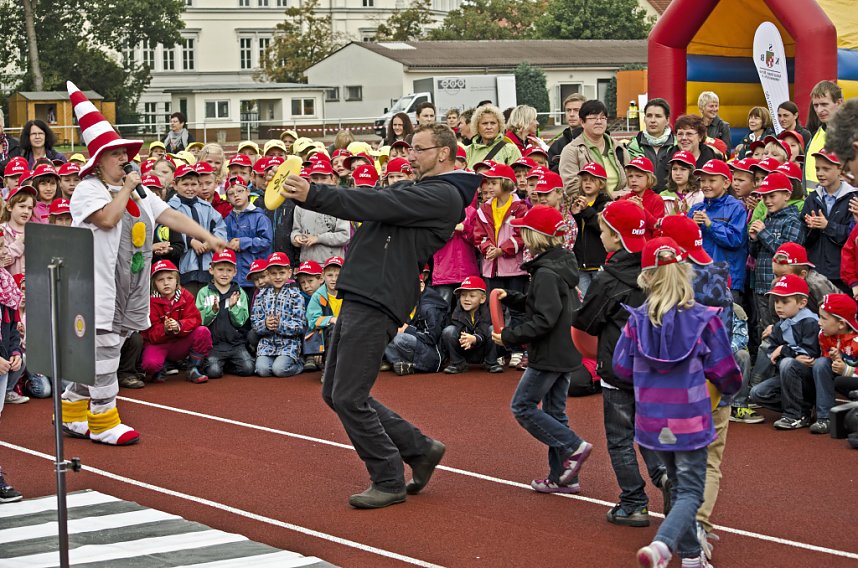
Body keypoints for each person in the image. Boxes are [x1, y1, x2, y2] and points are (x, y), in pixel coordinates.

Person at [278, 123, 481, 508]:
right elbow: (375, 196)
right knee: (335, 391)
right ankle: (418, 449)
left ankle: (388, 477)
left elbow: (375, 204)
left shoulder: (443, 195)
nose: (410, 156)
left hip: (377, 296)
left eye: (418, 149)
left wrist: (314, 193)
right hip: (365, 292)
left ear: (443, 153)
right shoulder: (421, 188)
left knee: (348, 395)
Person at [60, 82, 226, 446]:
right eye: (116, 153)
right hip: (97, 286)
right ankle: (102, 419)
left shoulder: (139, 191)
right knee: (102, 349)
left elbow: (168, 216)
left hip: (130, 286)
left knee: (110, 347)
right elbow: (106, 219)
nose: (124, 158)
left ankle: (73, 410)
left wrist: (208, 236)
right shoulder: (89, 188)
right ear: (99, 159)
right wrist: (125, 187)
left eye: (125, 152)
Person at [613, 236, 741, 568]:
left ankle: (693, 558)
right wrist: (731, 387)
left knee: (678, 485)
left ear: (646, 278)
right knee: (690, 492)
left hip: (653, 419)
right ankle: (663, 545)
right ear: (685, 272)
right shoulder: (703, 319)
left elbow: (621, 368)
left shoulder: (636, 320)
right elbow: (725, 369)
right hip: (690, 419)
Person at [572, 200, 669, 528]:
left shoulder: (610, 277)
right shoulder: (659, 267)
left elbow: (588, 322)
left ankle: (633, 502)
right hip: (656, 367)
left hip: (619, 368)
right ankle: (665, 475)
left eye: (603, 231)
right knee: (650, 430)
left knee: (619, 436)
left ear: (617, 236)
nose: (600, 237)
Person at [491, 205, 592, 494]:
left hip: (549, 352)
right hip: (565, 349)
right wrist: (511, 297)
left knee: (522, 407)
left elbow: (543, 319)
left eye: (524, 230)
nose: (520, 233)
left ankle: (573, 446)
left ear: (536, 236)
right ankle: (563, 477)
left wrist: (509, 335)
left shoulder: (546, 272)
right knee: (555, 412)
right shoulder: (560, 264)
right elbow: (545, 306)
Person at [472, 162, 529, 368]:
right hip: (492, 266)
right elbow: (477, 234)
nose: (490, 186)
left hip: (514, 267)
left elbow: (522, 234)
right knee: (494, 310)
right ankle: (497, 350)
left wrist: (503, 249)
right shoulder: (484, 208)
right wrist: (488, 247)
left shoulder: (520, 206)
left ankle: (517, 348)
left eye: (494, 182)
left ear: (506, 183)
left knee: (516, 311)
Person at [749, 274, 821, 430]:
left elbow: (810, 354)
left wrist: (784, 350)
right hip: (788, 375)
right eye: (776, 301)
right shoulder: (782, 323)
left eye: (785, 301)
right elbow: (770, 350)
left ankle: (795, 415)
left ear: (802, 303)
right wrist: (784, 355)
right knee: (757, 393)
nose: (778, 306)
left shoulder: (810, 321)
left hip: (809, 378)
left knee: (788, 363)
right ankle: (804, 408)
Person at [749, 172, 804, 332]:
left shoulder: (793, 220)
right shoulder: (767, 219)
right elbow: (754, 254)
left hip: (785, 290)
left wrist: (763, 233)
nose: (767, 201)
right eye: (764, 197)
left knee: (783, 330)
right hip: (762, 285)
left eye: (772, 196)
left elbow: (788, 255)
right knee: (764, 329)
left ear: (787, 195)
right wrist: (753, 239)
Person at [687, 159, 748, 303]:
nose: (706, 185)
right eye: (703, 181)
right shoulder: (696, 208)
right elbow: (684, 242)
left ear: (726, 183)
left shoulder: (736, 207)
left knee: (726, 323)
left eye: (712, 180)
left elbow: (736, 239)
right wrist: (692, 226)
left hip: (728, 279)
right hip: (698, 278)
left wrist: (710, 224)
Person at [141, 259, 212, 384]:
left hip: (180, 341)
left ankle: (193, 368)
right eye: (160, 280)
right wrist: (164, 329)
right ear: (154, 283)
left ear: (177, 280)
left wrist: (179, 325)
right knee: (150, 365)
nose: (166, 283)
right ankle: (161, 368)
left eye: (170, 278)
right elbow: (148, 332)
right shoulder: (149, 301)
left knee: (202, 331)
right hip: (160, 344)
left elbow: (195, 319)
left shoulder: (186, 296)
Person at [168, 164, 229, 296]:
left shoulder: (206, 207)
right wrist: (190, 241)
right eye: (185, 184)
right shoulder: (170, 208)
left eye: (194, 184)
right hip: (185, 267)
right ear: (175, 185)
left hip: (208, 267)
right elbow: (167, 232)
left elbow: (220, 227)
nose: (190, 188)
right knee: (188, 302)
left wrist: (210, 242)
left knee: (208, 304)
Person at [800, 150, 856, 292]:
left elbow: (852, 236)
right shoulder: (812, 198)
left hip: (842, 275)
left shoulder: (853, 198)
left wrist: (827, 226)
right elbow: (803, 238)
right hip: (815, 273)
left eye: (826, 169)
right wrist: (811, 228)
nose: (820, 173)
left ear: (840, 169)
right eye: (817, 168)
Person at [196, 249, 254, 379]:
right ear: (211, 270)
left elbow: (240, 321)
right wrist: (213, 311)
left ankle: (226, 364)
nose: (224, 274)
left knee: (248, 368)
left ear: (235, 272)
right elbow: (200, 321)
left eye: (229, 270)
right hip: (213, 345)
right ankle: (218, 363)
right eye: (220, 269)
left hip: (235, 344)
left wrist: (233, 307)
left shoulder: (240, 293)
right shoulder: (204, 292)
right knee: (213, 372)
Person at [559, 99, 629, 197]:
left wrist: (623, 195)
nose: (599, 122)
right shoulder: (572, 150)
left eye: (602, 118)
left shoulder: (619, 148)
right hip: (588, 209)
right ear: (582, 122)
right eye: (593, 118)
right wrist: (609, 196)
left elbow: (631, 180)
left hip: (621, 205)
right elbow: (571, 188)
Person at [251, 251, 305, 378]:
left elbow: (300, 325)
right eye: (273, 273)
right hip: (267, 344)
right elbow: (254, 323)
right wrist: (265, 324)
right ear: (267, 274)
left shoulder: (296, 296)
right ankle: (275, 362)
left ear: (289, 273)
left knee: (279, 370)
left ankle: (299, 363)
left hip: (289, 344)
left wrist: (280, 325)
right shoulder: (261, 295)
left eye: (282, 273)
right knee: (262, 370)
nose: (278, 277)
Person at [381, 275, 448, 376]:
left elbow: (432, 337)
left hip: (435, 355)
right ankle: (401, 364)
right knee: (386, 333)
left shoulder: (429, 308)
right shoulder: (410, 302)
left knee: (400, 338)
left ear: (421, 286)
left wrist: (407, 329)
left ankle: (414, 366)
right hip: (420, 346)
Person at [812, 293, 858, 435]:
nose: (819, 322)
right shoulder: (823, 335)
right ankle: (825, 418)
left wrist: (847, 369)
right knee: (820, 364)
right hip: (843, 381)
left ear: (841, 324)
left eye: (824, 318)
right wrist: (836, 358)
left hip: (853, 380)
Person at [291, 160, 350, 264]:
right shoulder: (300, 205)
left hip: (332, 266)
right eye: (315, 178)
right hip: (307, 265)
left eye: (323, 178)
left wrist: (318, 238)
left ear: (332, 179)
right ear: (309, 180)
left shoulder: (340, 203)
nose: (319, 182)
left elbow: (344, 236)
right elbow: (296, 230)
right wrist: (296, 238)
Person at [224, 175, 273, 297]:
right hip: (235, 278)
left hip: (256, 276)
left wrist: (242, 243)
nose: (236, 195)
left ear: (248, 191)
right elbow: (223, 240)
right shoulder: (227, 220)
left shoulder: (260, 217)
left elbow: (266, 241)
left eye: (240, 191)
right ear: (227, 199)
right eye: (231, 193)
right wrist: (228, 243)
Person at [441, 276, 502, 374]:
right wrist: (466, 338)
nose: (466, 299)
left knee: (492, 329)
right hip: (466, 348)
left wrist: (474, 338)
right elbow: (458, 327)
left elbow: (484, 328)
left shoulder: (487, 310)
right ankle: (458, 363)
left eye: (472, 296)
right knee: (449, 331)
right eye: (463, 295)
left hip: (483, 348)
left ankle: (491, 362)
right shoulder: (458, 310)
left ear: (482, 299)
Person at [570, 163, 611, 295]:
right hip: (580, 264)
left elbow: (601, 227)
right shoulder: (576, 202)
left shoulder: (606, 204)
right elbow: (574, 233)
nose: (588, 183)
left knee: (599, 302)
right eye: (585, 180)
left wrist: (586, 210)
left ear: (601, 184)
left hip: (599, 263)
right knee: (584, 303)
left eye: (593, 180)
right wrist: (576, 215)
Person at [627, 98, 677, 191]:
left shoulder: (678, 147)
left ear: (667, 120)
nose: (653, 120)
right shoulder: (631, 147)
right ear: (644, 119)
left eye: (658, 116)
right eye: (649, 116)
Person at [805, 80, 844, 190]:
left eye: (824, 104)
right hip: (814, 203)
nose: (819, 110)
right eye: (816, 105)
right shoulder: (816, 135)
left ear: (839, 103)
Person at [0, 185, 36, 277]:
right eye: (22, 206)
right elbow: (4, 259)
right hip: (10, 287)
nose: (26, 211)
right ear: (9, 207)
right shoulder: (2, 230)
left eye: (30, 208)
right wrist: (20, 242)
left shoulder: (35, 231)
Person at [548, 93, 585, 173]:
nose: (571, 114)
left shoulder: (594, 140)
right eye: (568, 110)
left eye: (576, 110)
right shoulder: (557, 145)